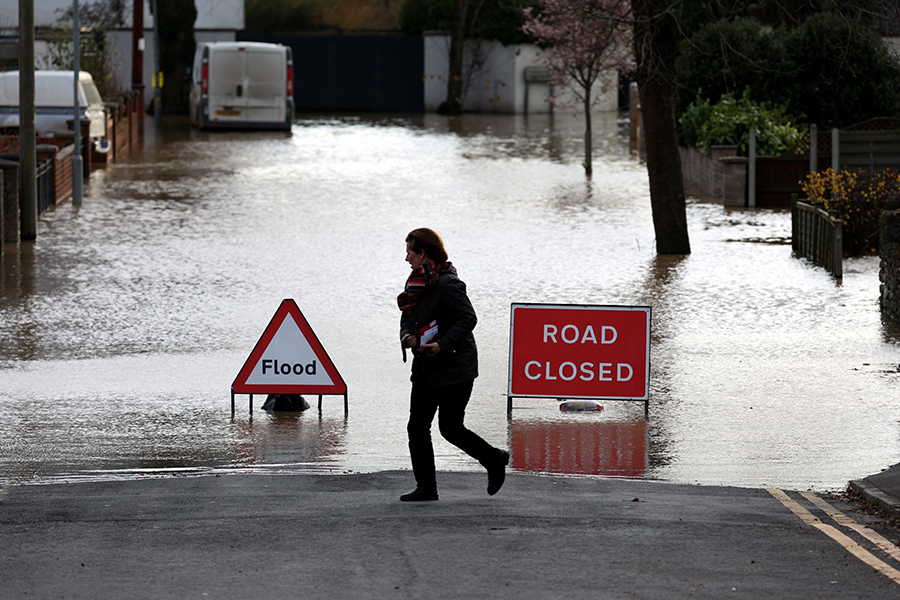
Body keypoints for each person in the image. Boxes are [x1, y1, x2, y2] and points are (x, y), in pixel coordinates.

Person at [397, 228, 509, 502]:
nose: (405, 257)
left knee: (450, 427)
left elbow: (468, 319)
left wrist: (443, 344)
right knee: (417, 427)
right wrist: (407, 336)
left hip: (456, 367)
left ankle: (494, 458)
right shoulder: (416, 282)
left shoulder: (448, 284)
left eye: (409, 251)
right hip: (426, 367)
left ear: (423, 253)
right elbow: (407, 316)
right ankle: (426, 488)